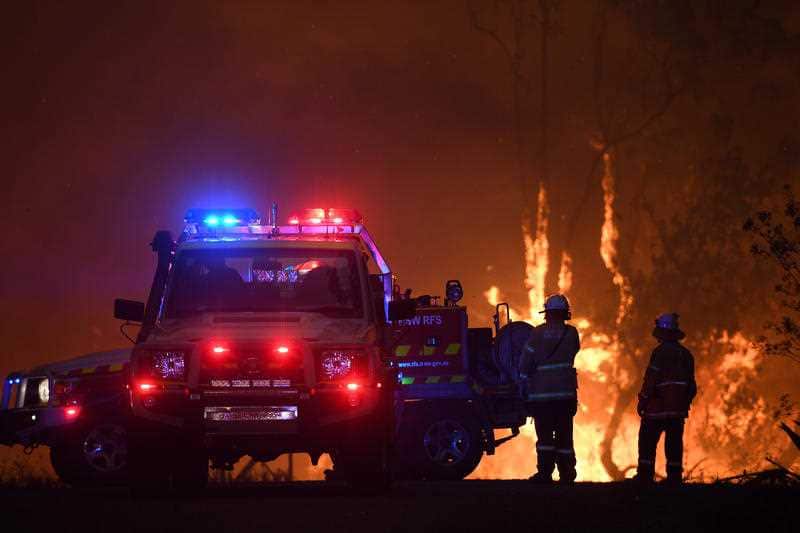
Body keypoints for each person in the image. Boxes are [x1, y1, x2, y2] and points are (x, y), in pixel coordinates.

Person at [519, 294, 581, 484]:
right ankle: (567, 473)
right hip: (565, 396)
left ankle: (545, 474)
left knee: (545, 438)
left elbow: (526, 359)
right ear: (565, 313)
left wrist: (523, 380)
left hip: (542, 397)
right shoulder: (571, 333)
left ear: (547, 313)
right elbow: (574, 351)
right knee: (565, 437)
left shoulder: (537, 333)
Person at [633, 313, 697, 485]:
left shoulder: (659, 353)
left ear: (662, 332)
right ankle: (674, 478)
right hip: (677, 411)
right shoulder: (686, 355)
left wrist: (643, 400)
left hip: (657, 408)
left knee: (647, 441)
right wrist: (684, 402)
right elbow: (692, 386)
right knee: (674, 444)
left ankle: (645, 476)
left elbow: (651, 379)